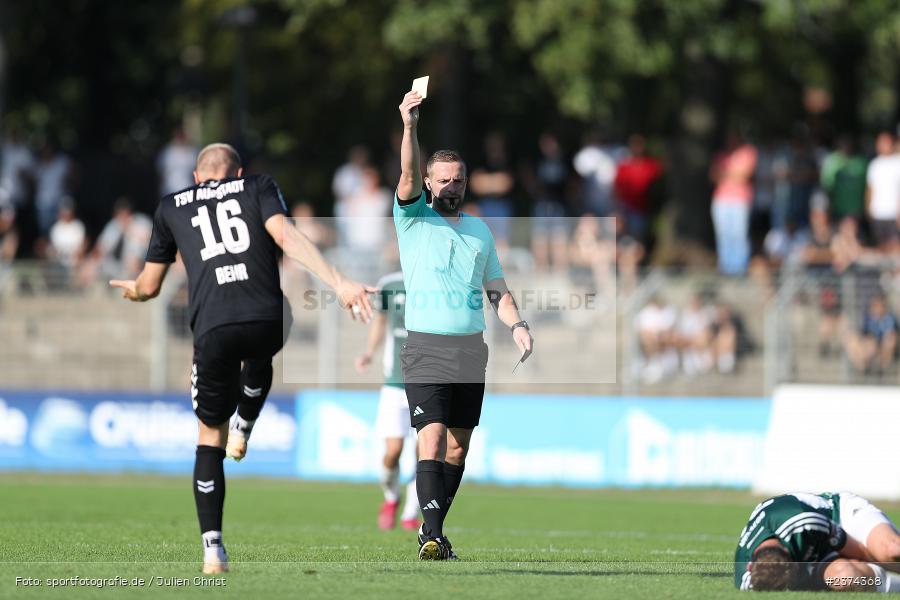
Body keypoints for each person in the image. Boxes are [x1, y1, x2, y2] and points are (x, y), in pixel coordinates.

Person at [109, 143, 374, 574]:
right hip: (266, 317)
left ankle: (213, 549)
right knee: (262, 347)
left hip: (212, 328)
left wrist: (134, 290)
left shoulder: (171, 205)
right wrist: (339, 282)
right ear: (238, 173)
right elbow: (286, 236)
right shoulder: (257, 185)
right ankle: (245, 424)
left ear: (197, 178)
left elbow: (150, 285)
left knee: (207, 435)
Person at [395, 90, 534, 560]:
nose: (452, 185)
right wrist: (411, 127)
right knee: (430, 435)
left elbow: (497, 288)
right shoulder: (412, 218)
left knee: (457, 448)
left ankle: (432, 529)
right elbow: (406, 172)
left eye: (458, 178)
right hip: (426, 347)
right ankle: (431, 537)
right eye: (443, 179)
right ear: (430, 184)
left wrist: (517, 325)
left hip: (471, 350)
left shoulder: (479, 230)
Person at [354, 271, 421, 531]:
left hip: (426, 381)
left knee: (423, 454)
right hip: (394, 383)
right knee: (392, 452)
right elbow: (380, 321)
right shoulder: (390, 284)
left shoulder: (436, 279)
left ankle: (410, 512)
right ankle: (392, 498)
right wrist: (369, 352)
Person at [735, 491, 900, 592]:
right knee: (846, 578)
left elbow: (862, 552)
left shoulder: (803, 522)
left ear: (788, 553)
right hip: (817, 556)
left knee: (891, 551)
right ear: (751, 566)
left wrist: (886, 563)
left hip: (838, 516)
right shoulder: (750, 578)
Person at [710, 131, 757, 276]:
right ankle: (726, 267)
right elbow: (713, 175)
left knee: (738, 235)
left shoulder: (748, 152)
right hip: (721, 199)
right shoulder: (721, 154)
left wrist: (725, 173)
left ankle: (739, 269)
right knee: (724, 235)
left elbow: (743, 176)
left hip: (740, 200)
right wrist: (733, 173)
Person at [865, 130, 900, 253]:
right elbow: (870, 189)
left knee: (895, 247)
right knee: (882, 247)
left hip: (893, 213)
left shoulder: (897, 162)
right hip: (878, 213)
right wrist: (868, 209)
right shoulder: (874, 164)